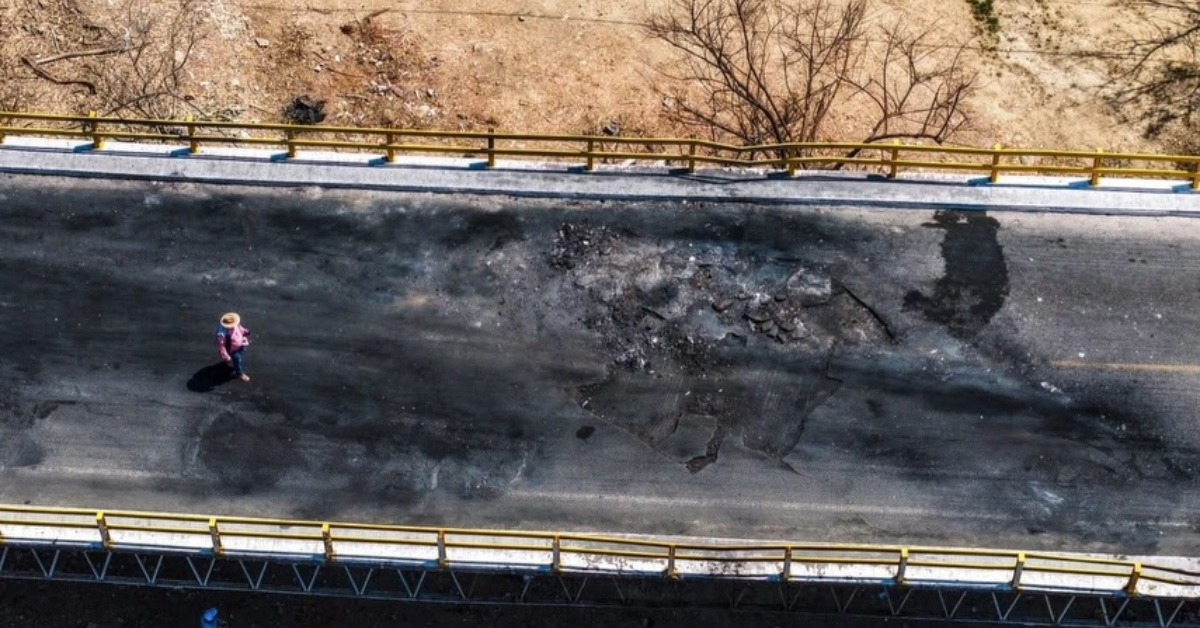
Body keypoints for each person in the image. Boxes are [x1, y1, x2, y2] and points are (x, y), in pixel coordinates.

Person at [216, 312, 251, 382]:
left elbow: (240, 328)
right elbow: (221, 345)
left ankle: (228, 360)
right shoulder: (222, 333)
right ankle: (239, 374)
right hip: (232, 350)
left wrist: (245, 331)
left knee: (239, 355)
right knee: (237, 360)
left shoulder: (235, 325)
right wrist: (225, 355)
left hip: (239, 345)